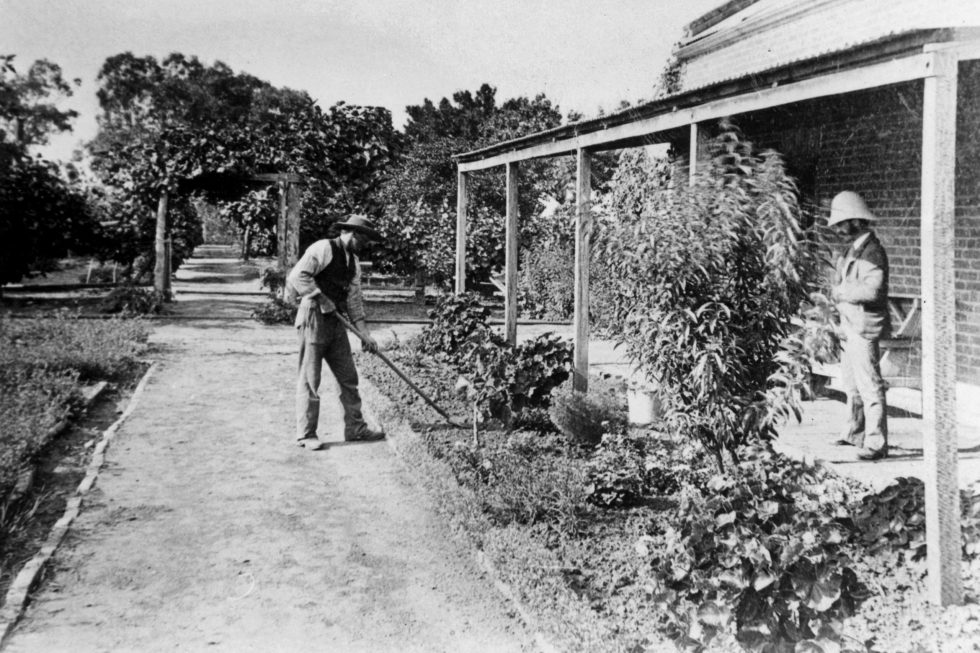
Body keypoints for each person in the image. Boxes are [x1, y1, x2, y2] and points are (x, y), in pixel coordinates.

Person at [286, 214, 385, 450]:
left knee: (348, 377)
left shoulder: (354, 262)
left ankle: (356, 428)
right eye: (362, 237)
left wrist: (365, 334)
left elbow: (354, 301)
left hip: (336, 323)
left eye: (367, 240)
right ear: (348, 232)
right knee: (311, 379)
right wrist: (319, 297)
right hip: (313, 318)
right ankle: (306, 434)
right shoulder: (323, 248)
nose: (364, 243)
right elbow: (297, 275)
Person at [828, 191, 891, 461]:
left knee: (869, 385)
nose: (840, 229)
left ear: (857, 221)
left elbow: (873, 290)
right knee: (851, 385)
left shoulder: (872, 252)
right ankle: (855, 432)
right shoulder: (852, 249)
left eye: (843, 223)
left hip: (863, 326)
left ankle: (876, 443)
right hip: (849, 324)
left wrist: (841, 292)